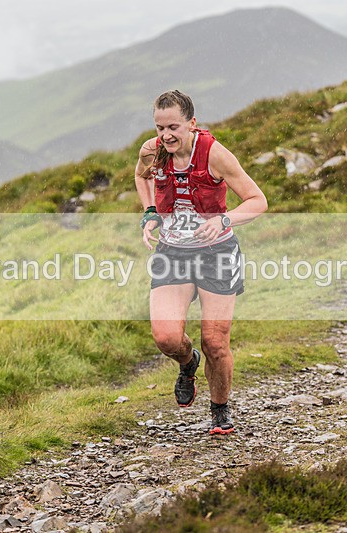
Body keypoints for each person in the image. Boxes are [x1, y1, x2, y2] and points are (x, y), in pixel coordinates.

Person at [134, 90, 267, 436]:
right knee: (165, 337)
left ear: (192, 123)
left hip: (217, 253)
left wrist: (224, 220)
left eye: (174, 127)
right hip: (173, 253)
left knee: (216, 342)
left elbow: (257, 201)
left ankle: (220, 410)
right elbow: (141, 176)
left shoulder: (215, 155)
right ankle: (187, 361)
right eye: (160, 127)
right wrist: (150, 213)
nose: (166, 135)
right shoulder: (153, 151)